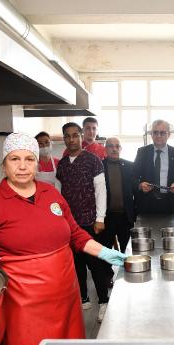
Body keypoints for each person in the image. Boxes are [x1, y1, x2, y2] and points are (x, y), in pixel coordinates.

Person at [0, 132, 126, 345]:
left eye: (29, 159)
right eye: (15, 159)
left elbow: (75, 234)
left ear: (37, 164)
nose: (22, 166)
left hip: (66, 297)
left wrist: (105, 253)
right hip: (25, 305)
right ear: (3, 164)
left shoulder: (51, 194)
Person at [56, 122, 111, 322]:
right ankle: (84, 298)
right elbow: (58, 194)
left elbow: (101, 190)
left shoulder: (93, 160)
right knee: (77, 264)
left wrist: (100, 218)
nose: (71, 139)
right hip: (69, 224)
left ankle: (103, 302)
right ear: (64, 139)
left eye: (75, 135)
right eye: (67, 136)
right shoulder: (62, 165)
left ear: (81, 137)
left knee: (95, 264)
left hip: (90, 222)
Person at [133, 119, 174, 215]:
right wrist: (140, 186)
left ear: (168, 134)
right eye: (155, 132)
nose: (158, 136)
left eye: (162, 133)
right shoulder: (142, 152)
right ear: (151, 134)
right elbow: (133, 176)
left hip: (170, 204)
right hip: (146, 204)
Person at [101, 137, 136, 254]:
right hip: (106, 218)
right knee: (106, 252)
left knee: (127, 251)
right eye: (111, 146)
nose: (114, 149)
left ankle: (125, 266)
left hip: (126, 217)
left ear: (121, 149)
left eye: (117, 146)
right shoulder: (99, 166)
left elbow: (136, 190)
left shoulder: (130, 166)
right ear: (105, 149)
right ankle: (108, 267)